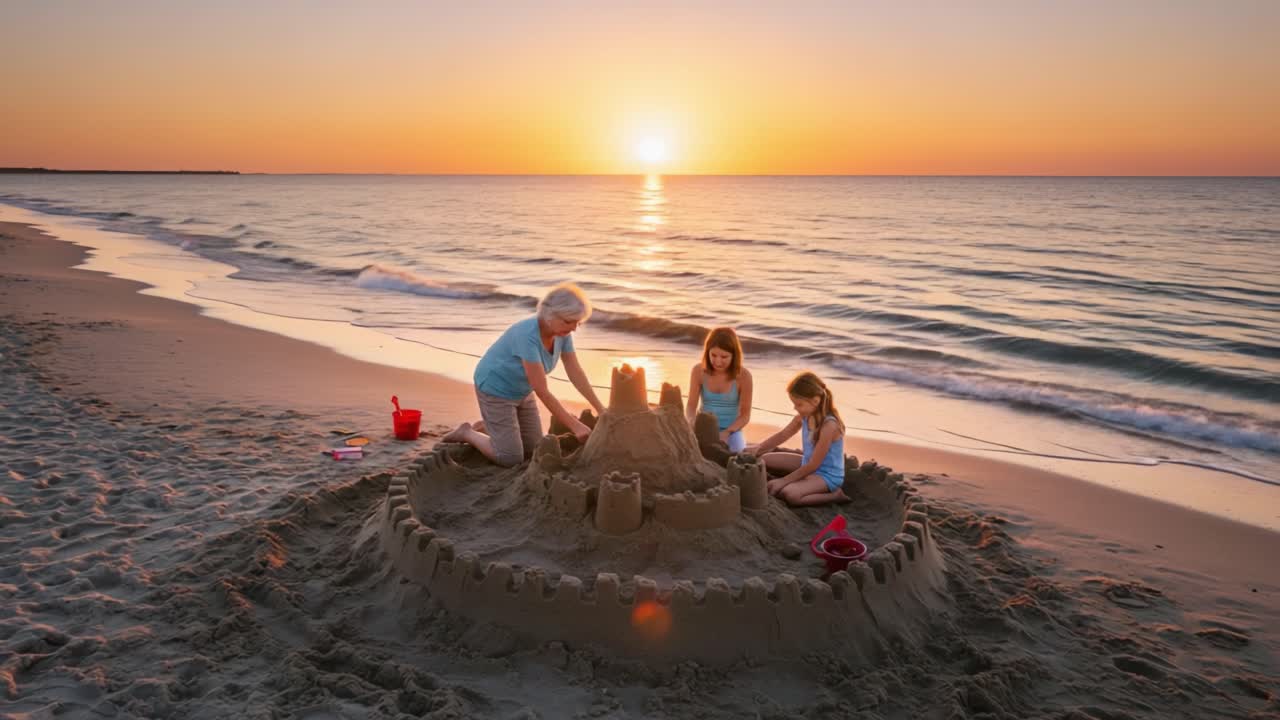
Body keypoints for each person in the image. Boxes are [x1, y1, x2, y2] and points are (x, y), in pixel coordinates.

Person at [443, 283, 604, 466]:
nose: (574, 328)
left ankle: (490, 426)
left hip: (522, 390)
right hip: (496, 389)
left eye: (578, 322)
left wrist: (600, 408)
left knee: (533, 450)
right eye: (569, 321)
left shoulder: (562, 334)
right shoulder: (527, 335)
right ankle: (468, 432)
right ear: (550, 315)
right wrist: (574, 426)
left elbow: (575, 372)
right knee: (511, 458)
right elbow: (542, 391)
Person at [748, 371, 848, 506]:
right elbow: (783, 435)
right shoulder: (804, 417)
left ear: (815, 400)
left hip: (826, 475)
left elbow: (814, 465)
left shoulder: (829, 426)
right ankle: (803, 481)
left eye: (799, 404)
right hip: (806, 463)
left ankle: (835, 496)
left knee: (790, 494)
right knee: (764, 458)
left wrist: (783, 481)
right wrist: (758, 448)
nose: (795, 408)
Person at [684, 327, 752, 453]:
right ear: (707, 352)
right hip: (703, 427)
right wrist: (692, 424)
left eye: (724, 356)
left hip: (731, 431)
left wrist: (727, 432)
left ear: (734, 355)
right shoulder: (698, 371)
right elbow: (691, 406)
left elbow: (745, 416)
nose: (718, 362)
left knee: (737, 455)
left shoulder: (744, 376)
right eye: (713, 355)